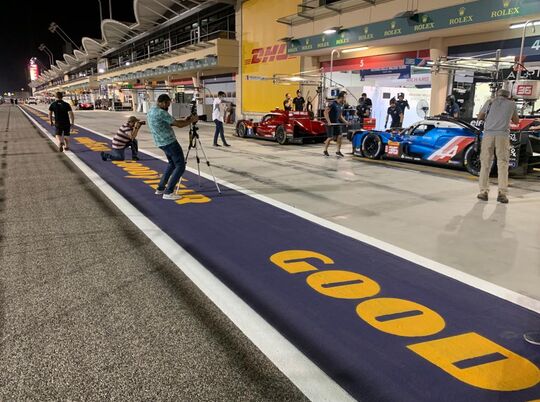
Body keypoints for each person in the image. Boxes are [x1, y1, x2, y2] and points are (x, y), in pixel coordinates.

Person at [146, 94, 198, 201]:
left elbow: (169, 122)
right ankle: (169, 192)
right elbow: (179, 125)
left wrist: (184, 119)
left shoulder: (152, 110)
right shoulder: (161, 112)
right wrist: (191, 121)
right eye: (167, 104)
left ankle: (160, 188)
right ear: (162, 102)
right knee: (180, 166)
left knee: (172, 164)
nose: (168, 106)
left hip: (160, 142)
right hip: (170, 142)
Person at [477, 88, 519, 204]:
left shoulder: (489, 102)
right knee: (503, 164)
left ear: (497, 95)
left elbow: (480, 116)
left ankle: (483, 192)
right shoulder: (512, 104)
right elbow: (516, 121)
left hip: (488, 135)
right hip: (502, 136)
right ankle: (502, 193)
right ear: (508, 96)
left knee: (485, 163)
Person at [323, 91, 349, 157]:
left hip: (337, 122)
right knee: (331, 137)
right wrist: (329, 122)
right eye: (345, 97)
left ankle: (338, 151)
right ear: (341, 97)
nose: (345, 99)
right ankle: (325, 150)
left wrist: (346, 122)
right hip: (330, 123)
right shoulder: (332, 103)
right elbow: (325, 112)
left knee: (340, 136)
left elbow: (340, 116)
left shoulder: (342, 105)